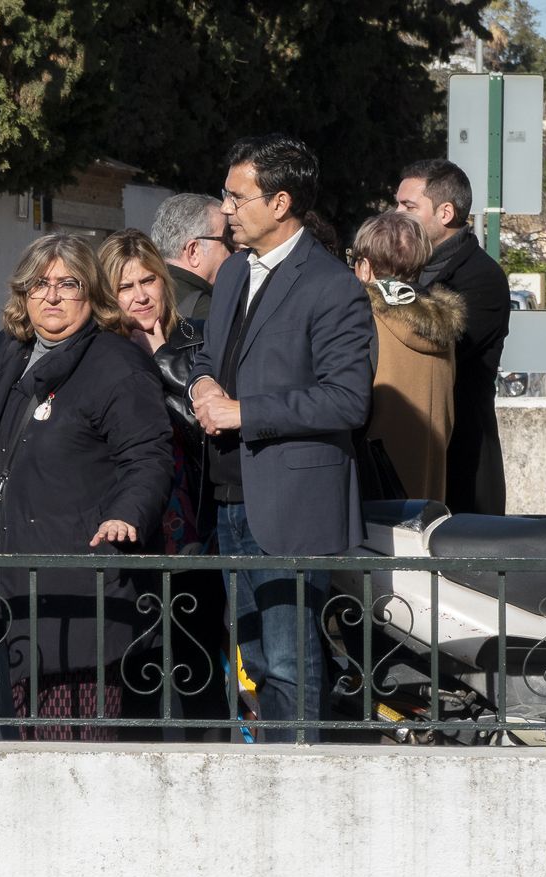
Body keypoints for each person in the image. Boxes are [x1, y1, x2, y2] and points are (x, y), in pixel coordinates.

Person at [188, 134, 375, 736]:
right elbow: (209, 357)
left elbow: (348, 398)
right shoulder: (236, 270)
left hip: (290, 504)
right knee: (255, 661)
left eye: (236, 197)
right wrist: (201, 388)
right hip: (226, 495)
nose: (226, 210)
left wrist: (244, 412)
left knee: (291, 662)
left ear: (280, 203)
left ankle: (298, 791)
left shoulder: (331, 284)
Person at [0, 233, 173, 737]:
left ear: (93, 293)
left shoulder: (115, 364)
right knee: (28, 748)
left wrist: (128, 513)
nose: (52, 295)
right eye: (40, 283)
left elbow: (149, 455)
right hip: (17, 583)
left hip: (82, 587)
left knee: (77, 756)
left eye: (68, 283)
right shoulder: (11, 355)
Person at [97, 229, 226, 727]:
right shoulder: (101, 354)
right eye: (125, 287)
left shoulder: (198, 342)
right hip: (131, 532)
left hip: (196, 528)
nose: (141, 295)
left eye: (148, 280)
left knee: (201, 675)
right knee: (136, 676)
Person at [396, 158, 510, 515]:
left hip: (458, 464)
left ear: (445, 213)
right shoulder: (409, 267)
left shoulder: (481, 278)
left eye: (408, 206)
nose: (395, 213)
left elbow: (438, 346)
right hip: (405, 452)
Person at [351, 211, 464, 502]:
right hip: (430, 495)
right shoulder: (443, 329)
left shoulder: (363, 321)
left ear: (364, 267)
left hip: (375, 496)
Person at [150, 193, 232, 322]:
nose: (235, 250)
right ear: (193, 252)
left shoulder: (138, 302)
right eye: (227, 240)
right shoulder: (207, 312)